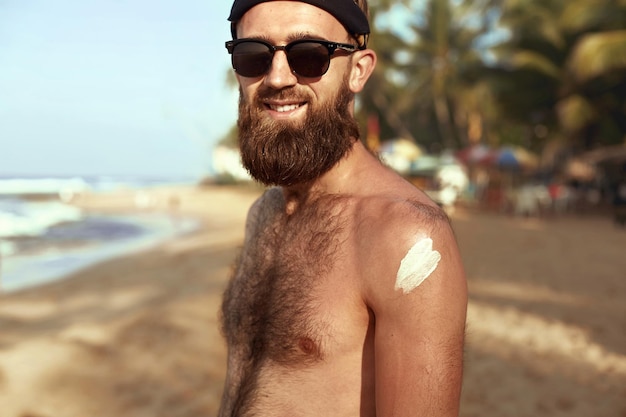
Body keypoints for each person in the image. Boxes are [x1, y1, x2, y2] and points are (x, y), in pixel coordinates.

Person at [219, 1, 468, 416]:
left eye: (309, 56)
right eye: (254, 56)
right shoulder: (263, 215)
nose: (277, 77)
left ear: (359, 70)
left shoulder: (406, 237)